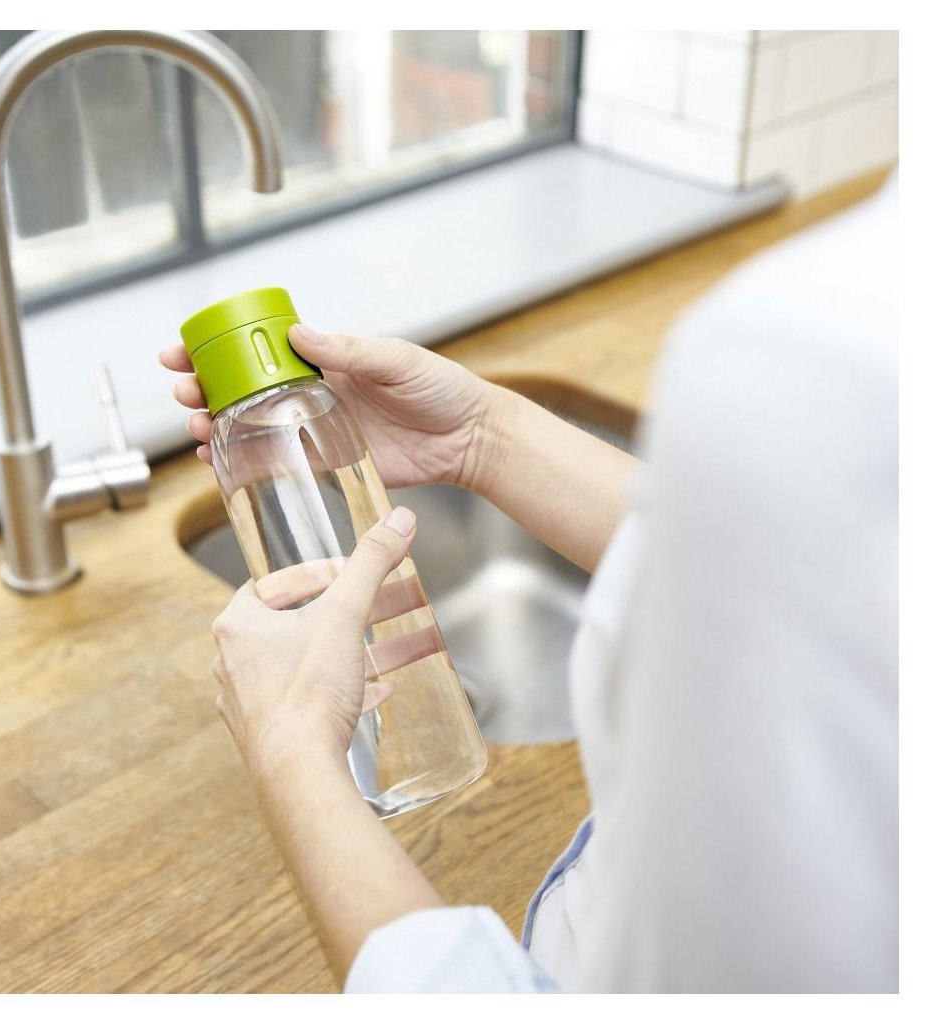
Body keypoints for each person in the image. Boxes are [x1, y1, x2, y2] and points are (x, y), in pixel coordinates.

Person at [158, 173, 898, 993]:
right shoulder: (864, 306)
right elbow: (765, 581)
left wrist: (289, 742)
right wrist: (482, 435)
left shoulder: (815, 343)